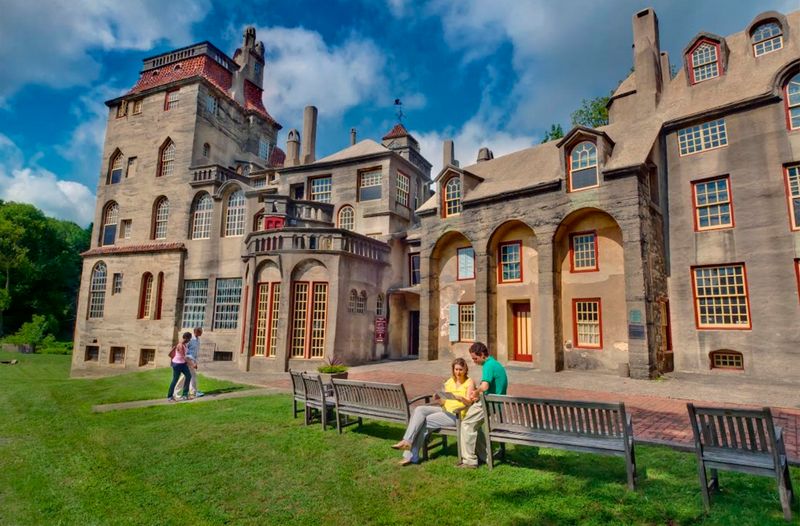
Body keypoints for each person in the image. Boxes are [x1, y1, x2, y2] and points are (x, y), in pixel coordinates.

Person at [391, 358, 474, 466]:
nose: (458, 372)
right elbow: (443, 402)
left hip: (456, 415)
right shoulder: (449, 381)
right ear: (453, 369)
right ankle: (407, 441)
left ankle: (411, 455)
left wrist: (461, 398)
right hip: (445, 410)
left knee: (424, 422)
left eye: (460, 370)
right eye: (456, 369)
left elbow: (469, 403)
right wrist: (438, 398)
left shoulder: (469, 382)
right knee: (419, 410)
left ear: (465, 369)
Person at [458, 342, 508, 468]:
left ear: (482, 355)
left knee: (466, 424)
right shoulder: (495, 363)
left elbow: (485, 385)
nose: (474, 361)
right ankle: (485, 455)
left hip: (489, 404)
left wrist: (476, 391)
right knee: (474, 425)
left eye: (475, 358)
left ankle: (469, 461)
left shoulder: (488, 365)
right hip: (495, 403)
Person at [174, 327, 204, 398]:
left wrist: (195, 361)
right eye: (200, 331)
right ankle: (192, 392)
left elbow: (195, 352)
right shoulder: (191, 340)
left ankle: (190, 392)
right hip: (188, 360)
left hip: (193, 360)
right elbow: (185, 349)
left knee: (187, 376)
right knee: (190, 376)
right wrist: (190, 361)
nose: (202, 333)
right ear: (196, 332)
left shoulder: (198, 340)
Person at [167, 332, 193, 402]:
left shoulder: (185, 345)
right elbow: (184, 357)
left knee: (189, 376)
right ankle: (170, 397)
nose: (189, 340)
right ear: (186, 338)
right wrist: (192, 364)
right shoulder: (180, 345)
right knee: (175, 379)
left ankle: (185, 395)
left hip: (183, 364)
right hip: (177, 364)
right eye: (189, 338)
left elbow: (185, 356)